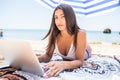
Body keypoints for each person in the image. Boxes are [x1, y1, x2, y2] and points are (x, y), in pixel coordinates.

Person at [38, 3, 92, 77]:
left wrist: (63, 64)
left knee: (86, 48)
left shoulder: (80, 33)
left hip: (86, 51)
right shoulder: (53, 34)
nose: (58, 21)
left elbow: (80, 61)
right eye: (56, 17)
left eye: (63, 17)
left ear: (70, 17)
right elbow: (47, 56)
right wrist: (32, 60)